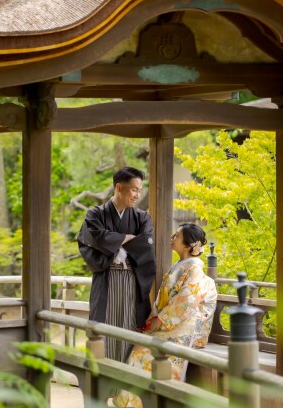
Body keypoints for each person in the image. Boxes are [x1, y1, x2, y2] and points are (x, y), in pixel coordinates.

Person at [115, 222, 218, 408]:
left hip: (185, 328)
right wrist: (155, 318)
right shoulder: (180, 266)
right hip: (171, 324)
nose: (172, 238)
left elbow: (186, 300)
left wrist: (162, 319)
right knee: (139, 349)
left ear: (188, 245)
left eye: (177, 236)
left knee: (144, 354)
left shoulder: (195, 269)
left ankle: (141, 403)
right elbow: (163, 300)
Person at [77, 166, 156, 362]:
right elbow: (93, 238)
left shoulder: (141, 217)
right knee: (105, 331)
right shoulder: (95, 215)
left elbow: (145, 243)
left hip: (132, 280)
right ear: (119, 187)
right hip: (107, 279)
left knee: (131, 329)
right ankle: (105, 386)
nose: (138, 194)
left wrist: (113, 241)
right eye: (134, 189)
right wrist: (127, 238)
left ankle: (126, 390)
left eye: (140, 190)